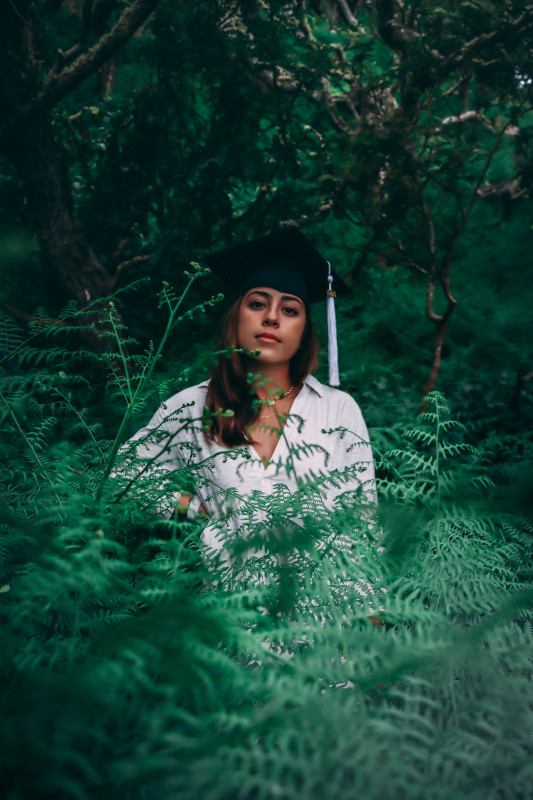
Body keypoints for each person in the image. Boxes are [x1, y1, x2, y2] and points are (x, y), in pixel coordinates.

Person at [115, 228, 377, 589]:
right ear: (236, 316)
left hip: (324, 624)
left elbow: (362, 522)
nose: (272, 318)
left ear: (304, 331)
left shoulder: (337, 410)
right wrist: (190, 511)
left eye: (289, 309)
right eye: (257, 303)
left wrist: (370, 611)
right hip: (228, 619)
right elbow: (124, 473)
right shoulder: (192, 406)